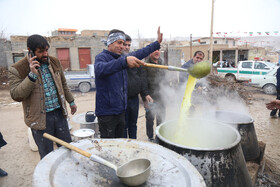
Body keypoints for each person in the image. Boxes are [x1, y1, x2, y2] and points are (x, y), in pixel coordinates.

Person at [8, 34, 77, 159]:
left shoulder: (54, 62)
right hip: (39, 119)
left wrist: (71, 101)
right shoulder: (18, 69)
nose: (45, 54)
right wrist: (31, 76)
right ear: (30, 51)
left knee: (67, 150)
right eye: (40, 51)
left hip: (59, 114)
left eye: (46, 50)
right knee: (47, 156)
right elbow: (16, 95)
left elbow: (63, 84)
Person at [94, 27, 163, 138]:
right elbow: (100, 69)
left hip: (121, 112)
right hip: (107, 114)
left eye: (123, 43)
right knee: (110, 146)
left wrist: (157, 43)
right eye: (119, 43)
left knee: (122, 142)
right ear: (110, 42)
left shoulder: (121, 57)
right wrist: (124, 61)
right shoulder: (102, 58)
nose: (122, 46)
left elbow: (141, 52)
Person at [123, 34, 153, 139]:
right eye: (125, 44)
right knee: (123, 126)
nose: (126, 47)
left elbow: (142, 79)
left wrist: (145, 95)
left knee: (133, 124)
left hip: (134, 99)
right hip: (122, 100)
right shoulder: (116, 61)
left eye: (129, 45)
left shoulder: (135, 60)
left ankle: (133, 143)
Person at [143, 50, 167, 142]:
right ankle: (150, 137)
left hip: (162, 95)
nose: (157, 52)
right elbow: (143, 82)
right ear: (150, 52)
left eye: (158, 50)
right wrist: (145, 95)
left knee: (161, 117)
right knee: (150, 118)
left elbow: (165, 78)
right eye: (154, 50)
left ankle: (159, 136)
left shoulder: (162, 63)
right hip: (151, 97)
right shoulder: (146, 65)